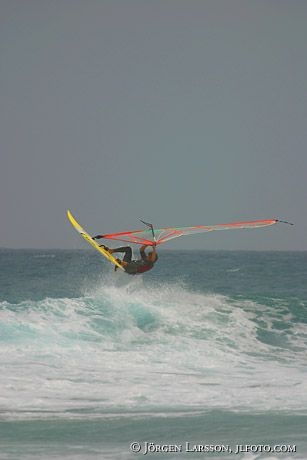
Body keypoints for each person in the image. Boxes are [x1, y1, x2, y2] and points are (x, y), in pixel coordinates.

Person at [92, 236, 158, 274]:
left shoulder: (150, 264)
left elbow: (152, 258)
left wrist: (154, 248)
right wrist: (148, 244)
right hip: (127, 264)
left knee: (137, 265)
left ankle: (121, 263)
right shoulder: (145, 258)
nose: (147, 256)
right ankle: (111, 251)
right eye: (148, 255)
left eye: (149, 256)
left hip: (131, 270)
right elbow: (141, 250)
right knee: (128, 249)